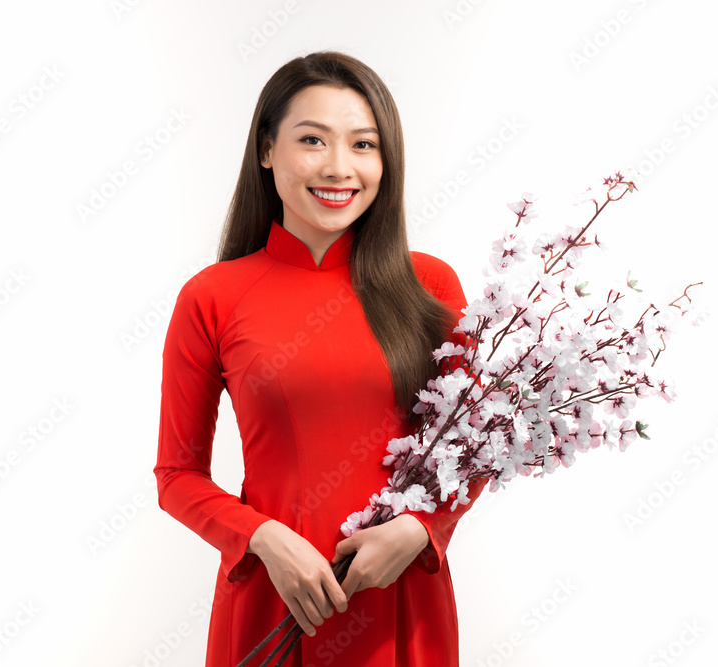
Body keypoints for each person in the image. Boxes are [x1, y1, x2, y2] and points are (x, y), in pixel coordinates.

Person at [153, 50, 485, 666]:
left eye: (364, 145)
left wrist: (419, 530)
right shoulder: (212, 297)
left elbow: (475, 448)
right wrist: (263, 537)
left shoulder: (431, 287)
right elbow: (176, 477)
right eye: (313, 140)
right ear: (266, 150)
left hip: (401, 602)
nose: (340, 168)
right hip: (273, 603)